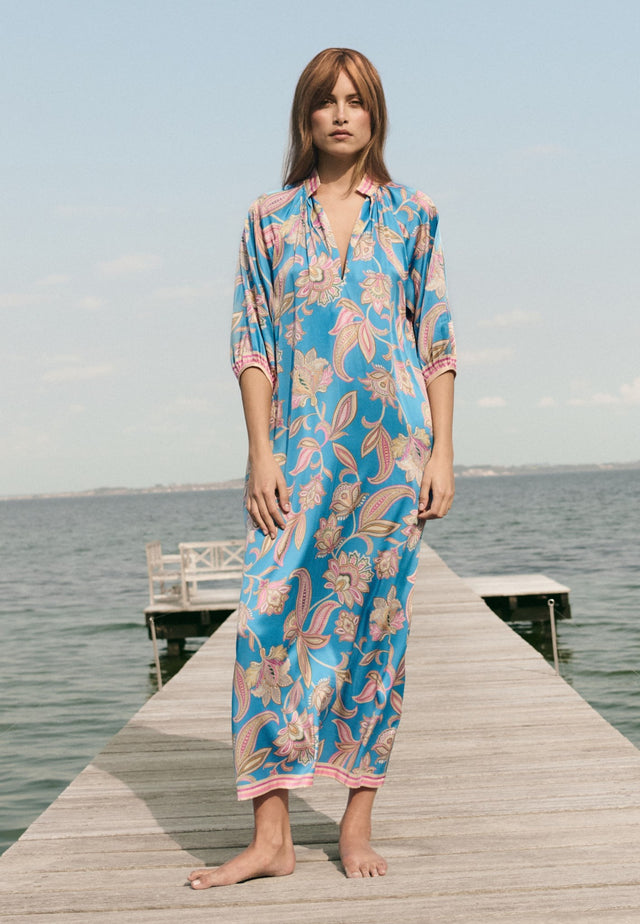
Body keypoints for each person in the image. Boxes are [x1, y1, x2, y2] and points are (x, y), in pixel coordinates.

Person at [189, 47, 456, 888]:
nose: (341, 114)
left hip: (391, 460)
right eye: (326, 102)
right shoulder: (268, 219)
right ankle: (271, 838)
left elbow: (437, 339)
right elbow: (251, 341)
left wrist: (444, 452)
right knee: (265, 627)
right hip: (299, 456)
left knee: (376, 630)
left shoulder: (413, 214)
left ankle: (355, 822)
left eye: (356, 101)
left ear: (375, 115)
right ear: (305, 117)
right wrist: (259, 452)